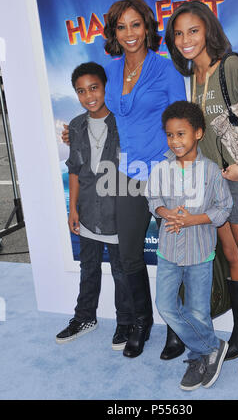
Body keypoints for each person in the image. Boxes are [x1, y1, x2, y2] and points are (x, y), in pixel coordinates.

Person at [165, 0, 238, 375]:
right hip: (216, 181)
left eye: (193, 31)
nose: (186, 39)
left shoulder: (231, 66)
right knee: (232, 256)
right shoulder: (194, 78)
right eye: (179, 33)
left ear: (209, 31)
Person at [62, 0, 187, 359]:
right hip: (126, 177)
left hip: (164, 174)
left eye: (136, 25)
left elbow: (183, 120)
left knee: (173, 257)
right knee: (129, 257)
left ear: (148, 27)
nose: (130, 33)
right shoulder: (110, 70)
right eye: (122, 26)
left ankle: (176, 329)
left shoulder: (166, 70)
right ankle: (141, 322)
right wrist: (75, 131)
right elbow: (98, 110)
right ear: (114, 32)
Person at [145, 100, 232, 390]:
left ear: (198, 133)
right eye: (170, 134)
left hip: (200, 252)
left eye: (181, 134)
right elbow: (153, 199)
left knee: (197, 311)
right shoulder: (160, 168)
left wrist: (194, 220)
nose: (175, 140)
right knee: (166, 305)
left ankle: (199, 356)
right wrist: (164, 212)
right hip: (168, 250)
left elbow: (224, 208)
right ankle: (212, 346)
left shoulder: (211, 171)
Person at [56, 62, 134, 350]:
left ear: (105, 87)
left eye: (94, 88)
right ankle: (85, 317)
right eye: (81, 91)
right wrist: (72, 209)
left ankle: (125, 321)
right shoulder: (75, 126)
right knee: (88, 268)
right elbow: (74, 171)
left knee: (121, 271)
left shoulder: (123, 122)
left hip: (117, 210)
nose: (88, 96)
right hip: (87, 210)